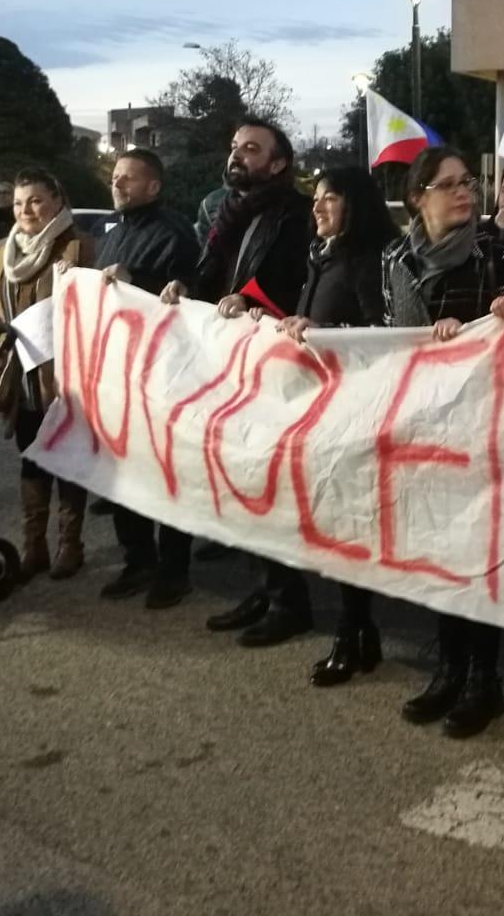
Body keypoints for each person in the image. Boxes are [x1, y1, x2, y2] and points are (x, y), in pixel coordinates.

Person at [218, 167, 397, 675]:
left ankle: (354, 631)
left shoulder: (371, 258)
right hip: (320, 408)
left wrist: (327, 331)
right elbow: (303, 318)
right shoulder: (320, 256)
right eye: (316, 198)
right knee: (332, 524)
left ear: (356, 205)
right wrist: (264, 315)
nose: (317, 208)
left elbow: (386, 331)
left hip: (356, 412)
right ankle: (356, 632)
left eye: (330, 199)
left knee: (350, 527)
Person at [381, 145, 504, 737]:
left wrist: (496, 318)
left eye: (468, 181)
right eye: (447, 184)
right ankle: (448, 668)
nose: (464, 191)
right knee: (439, 552)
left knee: (478, 551)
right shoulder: (395, 255)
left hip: (488, 423)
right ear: (419, 197)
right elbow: (393, 336)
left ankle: (483, 680)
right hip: (426, 423)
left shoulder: (497, 248)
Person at [161, 121, 314, 633]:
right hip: (227, 362)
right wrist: (186, 285)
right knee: (240, 480)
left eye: (251, 149)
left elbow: (291, 281)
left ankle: (289, 602)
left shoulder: (293, 214)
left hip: (270, 365)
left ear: (277, 164)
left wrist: (251, 299)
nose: (237, 156)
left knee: (268, 484)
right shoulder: (228, 212)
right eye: (234, 147)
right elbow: (212, 272)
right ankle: (263, 589)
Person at [0, 168, 96, 582]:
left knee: (66, 459)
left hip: (64, 378)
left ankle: (69, 546)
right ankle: (34, 546)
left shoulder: (77, 248)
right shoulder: (5, 252)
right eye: (20, 203)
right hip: (20, 377)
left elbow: (97, 307)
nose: (26, 210)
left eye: (36, 201)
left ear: (57, 202)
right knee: (30, 458)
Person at [95, 150, 202, 609]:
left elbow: (190, 297)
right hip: (120, 374)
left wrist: (136, 277)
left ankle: (174, 570)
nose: (117, 185)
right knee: (123, 474)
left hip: (165, 375)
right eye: (115, 177)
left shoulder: (176, 234)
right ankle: (137, 560)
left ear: (153, 187)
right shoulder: (112, 236)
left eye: (128, 179)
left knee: (166, 475)